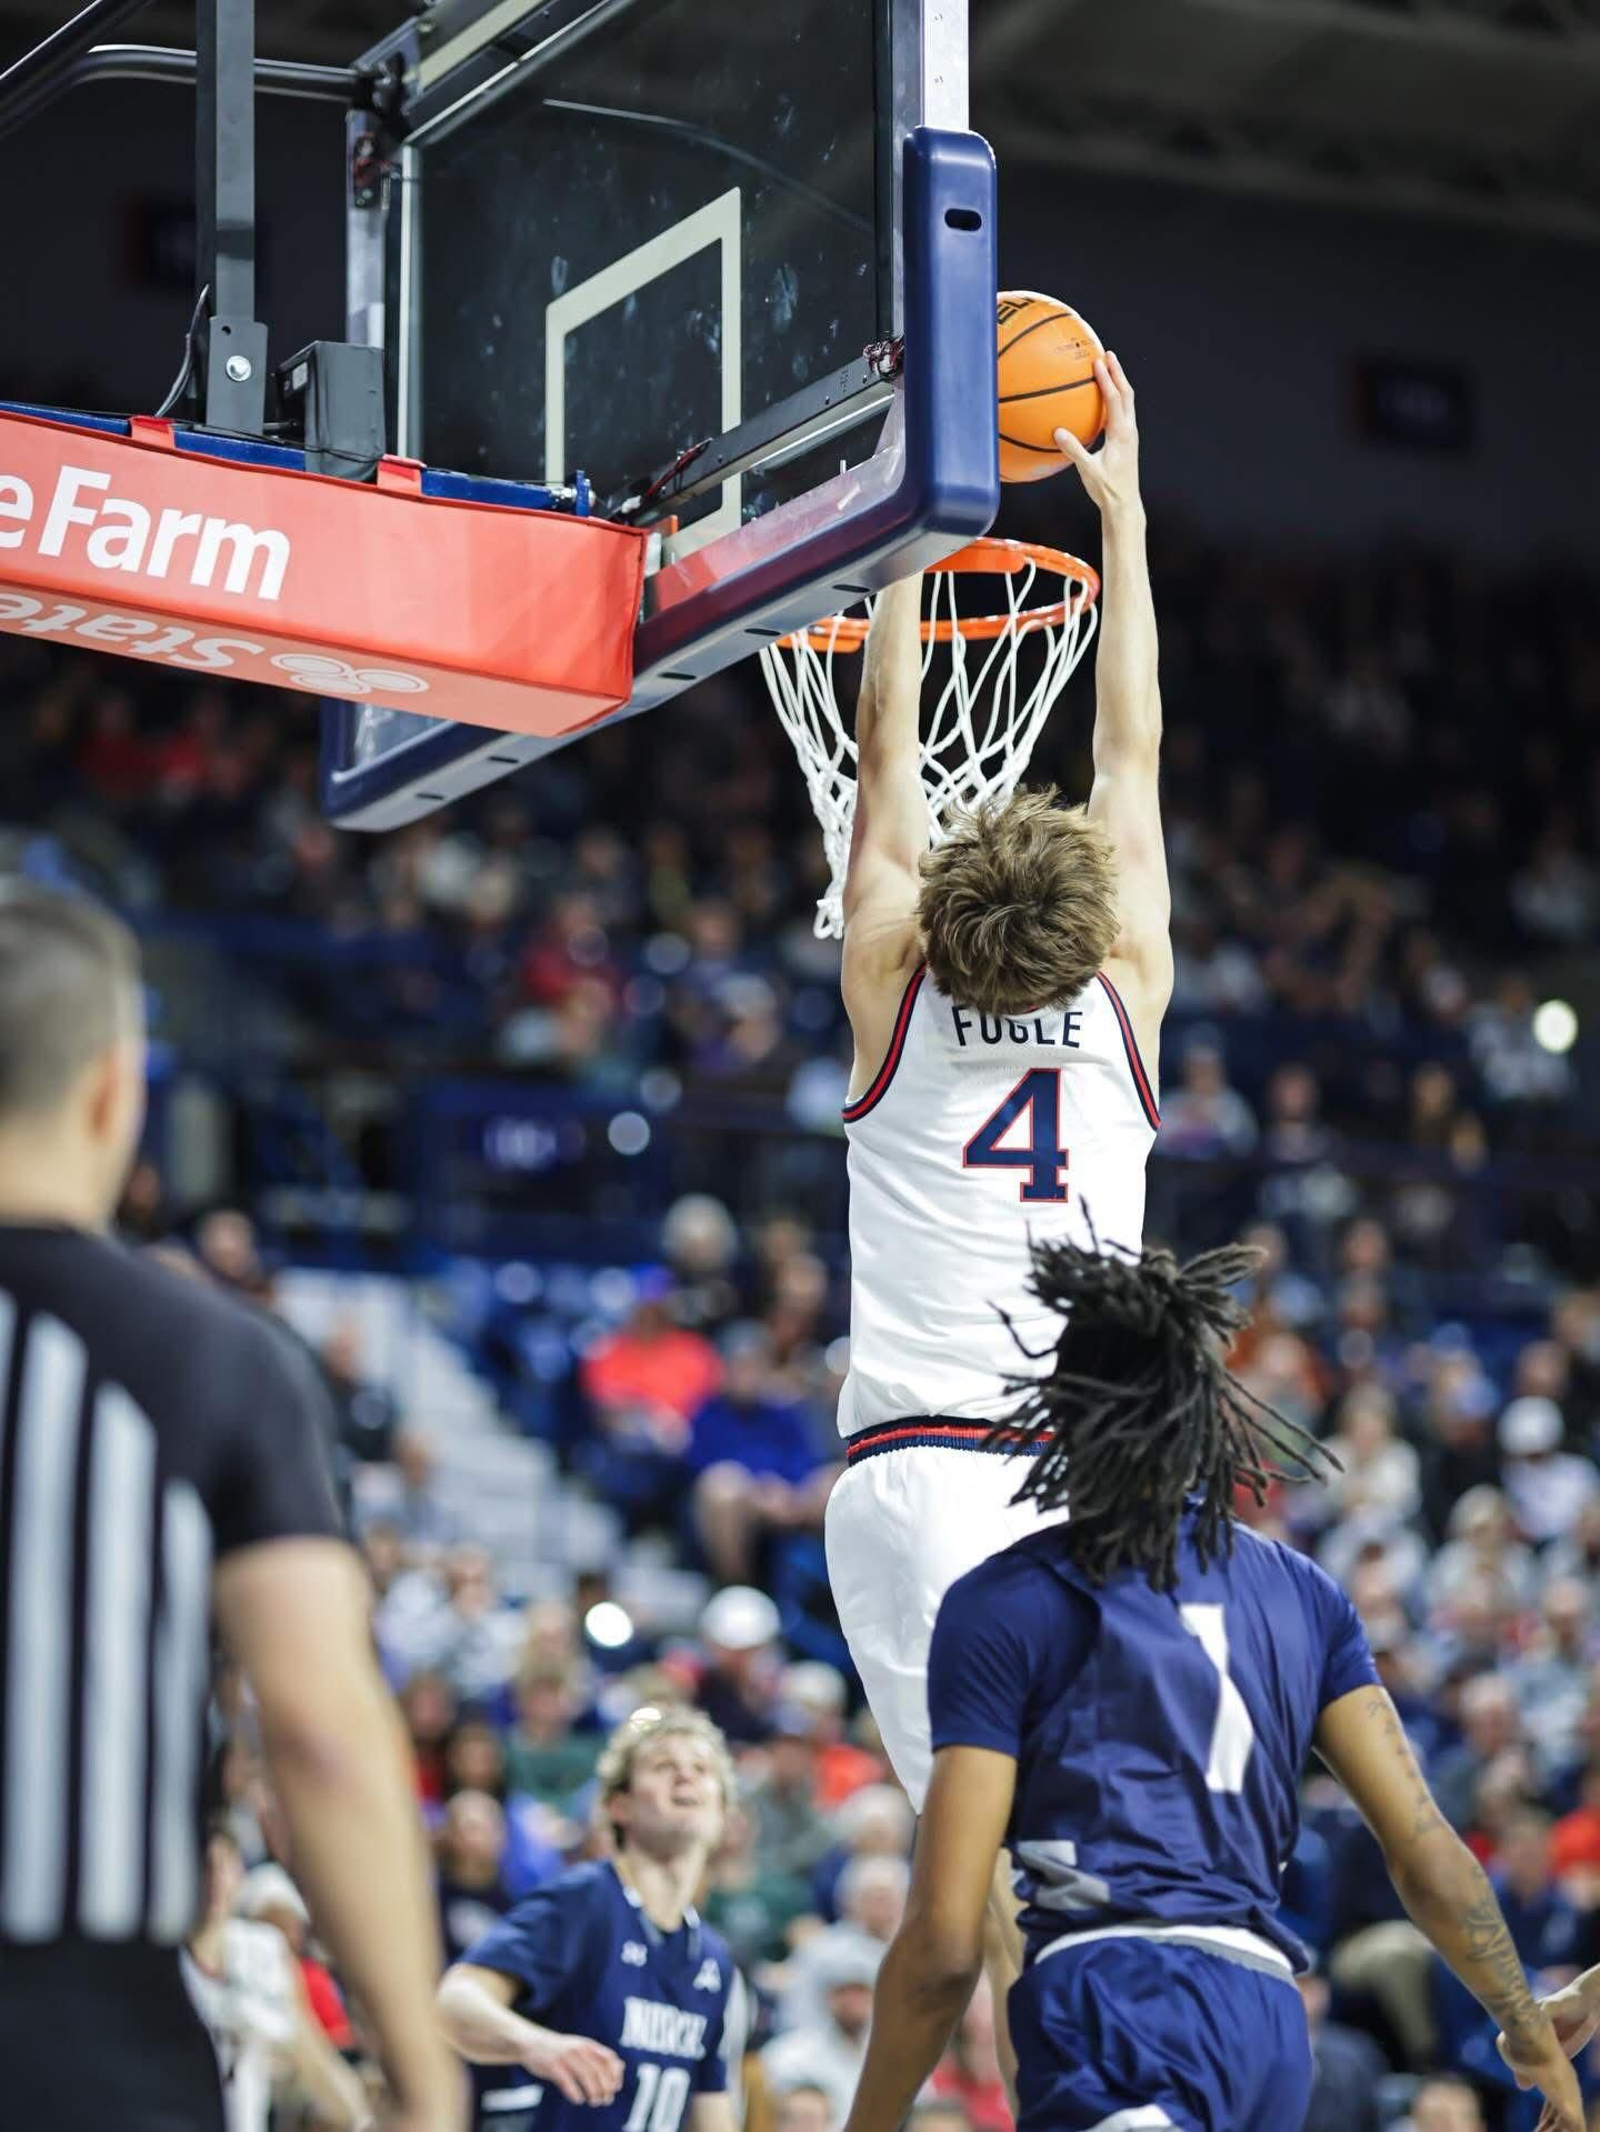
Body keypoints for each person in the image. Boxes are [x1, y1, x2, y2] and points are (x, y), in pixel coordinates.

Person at [836, 1233, 1585, 2132]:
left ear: (1056, 1416)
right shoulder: (1303, 1593)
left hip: (1116, 2004)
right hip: (1265, 2021)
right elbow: (1427, 1850)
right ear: (1206, 1413)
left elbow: (946, 1944)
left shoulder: (1005, 1601)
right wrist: (1525, 2026)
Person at [823, 354, 1168, 2027]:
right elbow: (1134, 749)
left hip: (912, 1479)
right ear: (1088, 917)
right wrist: (1125, 518)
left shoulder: (890, 971)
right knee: (1098, 1875)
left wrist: (908, 533)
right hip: (1078, 1491)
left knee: (991, 1896)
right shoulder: (1130, 991)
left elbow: (885, 749)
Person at [0, 886, 459, 2132]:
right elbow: (319, 1728)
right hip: (80, 2048)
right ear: (114, 1091)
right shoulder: (208, 1358)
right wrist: (422, 2078)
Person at [436, 1707, 738, 2132]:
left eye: (702, 1769)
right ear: (620, 1806)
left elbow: (712, 2111)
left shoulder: (711, 1958)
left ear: (722, 1814)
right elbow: (455, 2001)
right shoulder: (588, 1901)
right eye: (663, 1765)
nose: (685, 1775)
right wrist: (536, 2044)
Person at [184, 1824, 370, 2132]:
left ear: (240, 1873)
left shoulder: (266, 1952)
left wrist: (360, 2117)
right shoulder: (152, 1959)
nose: (215, 1879)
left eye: (225, 1864)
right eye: (205, 1865)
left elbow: (310, 2053)